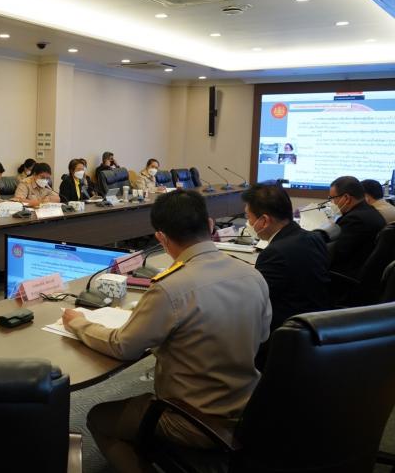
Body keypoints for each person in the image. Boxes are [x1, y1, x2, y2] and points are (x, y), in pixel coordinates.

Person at [62, 189, 271, 473]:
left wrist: (77, 322)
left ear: (161, 237)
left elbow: (123, 346)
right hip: (250, 408)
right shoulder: (253, 274)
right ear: (210, 225)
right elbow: (263, 336)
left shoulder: (171, 287)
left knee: (99, 417)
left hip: (195, 419)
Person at [241, 184, 331, 369]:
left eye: (248, 217)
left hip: (284, 336)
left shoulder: (275, 253)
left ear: (264, 220)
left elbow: (253, 300)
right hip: (317, 326)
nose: (248, 222)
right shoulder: (313, 238)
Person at [328, 176, 386, 281]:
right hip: (366, 275)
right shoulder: (370, 211)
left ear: (346, 198)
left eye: (332, 198)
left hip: (346, 278)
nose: (331, 202)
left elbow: (335, 254)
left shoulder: (355, 220)